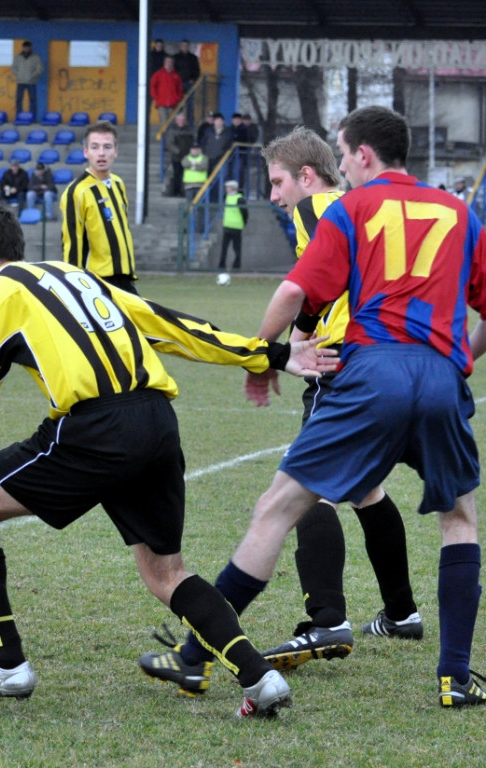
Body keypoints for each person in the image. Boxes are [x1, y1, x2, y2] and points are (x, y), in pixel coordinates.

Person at [0, 202, 339, 712]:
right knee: (166, 574)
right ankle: (258, 677)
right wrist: (269, 354)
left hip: (96, 427)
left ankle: (5, 663)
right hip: (158, 420)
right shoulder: (77, 277)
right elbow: (164, 322)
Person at [141, 105, 486, 709]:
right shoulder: (460, 212)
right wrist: (462, 360)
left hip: (370, 373)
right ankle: (455, 676)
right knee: (458, 519)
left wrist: (264, 356)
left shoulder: (351, 207)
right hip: (437, 376)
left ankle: (195, 659)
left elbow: (299, 290)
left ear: (364, 156)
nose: (342, 166)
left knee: (277, 507)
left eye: (345, 155)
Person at [244, 126, 421, 671]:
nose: (274, 196)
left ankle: (326, 621)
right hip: (396, 360)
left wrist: (265, 352)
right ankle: (402, 614)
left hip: (345, 366)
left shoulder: (318, 206)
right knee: (366, 489)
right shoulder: (359, 206)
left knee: (305, 490)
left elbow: (311, 283)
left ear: (306, 175)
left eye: (277, 182)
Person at [59, 120, 136, 294]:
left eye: (107, 147)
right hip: (97, 282)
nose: (101, 153)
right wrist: (74, 286)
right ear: (86, 152)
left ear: (116, 151)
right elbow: (72, 243)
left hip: (124, 276)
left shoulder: (118, 183)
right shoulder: (77, 192)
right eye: (95, 147)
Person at [217, 179, 247, 270]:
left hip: (236, 226)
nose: (226, 189)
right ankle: (222, 265)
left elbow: (244, 212)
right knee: (224, 248)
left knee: (236, 248)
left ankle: (236, 265)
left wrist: (243, 222)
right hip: (227, 225)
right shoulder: (226, 197)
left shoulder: (239, 199)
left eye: (228, 187)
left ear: (232, 188)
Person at [11, 41, 44, 119]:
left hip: (31, 82)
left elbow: (40, 69)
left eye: (28, 47)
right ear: (22, 48)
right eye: (25, 47)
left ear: (30, 48)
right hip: (20, 82)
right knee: (19, 100)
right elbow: (13, 68)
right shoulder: (17, 57)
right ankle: (18, 117)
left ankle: (32, 118)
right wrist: (19, 74)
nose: (26, 49)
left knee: (33, 100)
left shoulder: (36, 57)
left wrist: (32, 76)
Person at [166, 112, 194, 197]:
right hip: (177, 157)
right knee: (177, 175)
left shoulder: (188, 129)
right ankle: (176, 191)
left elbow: (192, 141)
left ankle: (183, 192)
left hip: (187, 157)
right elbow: (169, 144)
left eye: (183, 119)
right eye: (180, 119)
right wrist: (178, 151)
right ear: (176, 120)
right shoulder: (172, 130)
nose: (182, 121)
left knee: (185, 175)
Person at [149, 55, 183, 127]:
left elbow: (180, 88)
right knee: (164, 123)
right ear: (164, 62)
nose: (169, 63)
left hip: (172, 104)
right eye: (167, 61)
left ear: (173, 63)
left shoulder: (176, 75)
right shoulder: (158, 74)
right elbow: (152, 86)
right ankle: (165, 138)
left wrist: (177, 98)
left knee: (171, 123)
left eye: (170, 62)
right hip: (161, 103)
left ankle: (169, 138)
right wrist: (156, 97)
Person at [172, 39, 201, 122]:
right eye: (183, 45)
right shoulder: (175, 57)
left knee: (190, 105)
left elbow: (197, 71)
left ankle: (190, 123)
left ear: (188, 47)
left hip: (189, 84)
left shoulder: (193, 58)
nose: (185, 47)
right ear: (180, 47)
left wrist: (193, 79)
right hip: (178, 85)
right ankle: (178, 123)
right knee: (178, 105)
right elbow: (173, 71)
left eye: (186, 45)